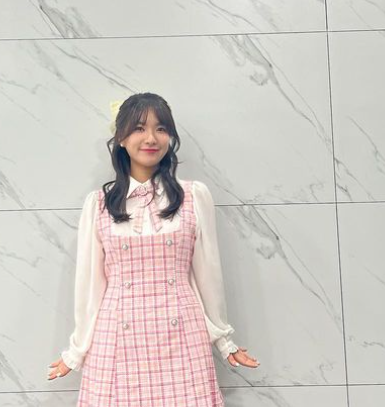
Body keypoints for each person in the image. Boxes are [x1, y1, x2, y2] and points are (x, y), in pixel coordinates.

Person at [48, 92, 259, 405]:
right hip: (117, 337)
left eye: (161, 129)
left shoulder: (193, 196)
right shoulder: (99, 205)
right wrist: (77, 350)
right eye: (139, 128)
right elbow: (90, 286)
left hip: (182, 335)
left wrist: (223, 339)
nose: (151, 138)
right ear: (121, 138)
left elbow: (208, 275)